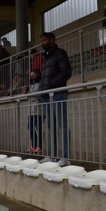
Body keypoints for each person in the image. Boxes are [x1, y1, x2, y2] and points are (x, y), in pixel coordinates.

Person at [38, 32, 72, 167]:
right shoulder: (46, 59)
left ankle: (65, 157)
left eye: (44, 40)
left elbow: (66, 73)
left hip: (58, 93)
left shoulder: (60, 54)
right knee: (51, 126)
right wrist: (42, 89)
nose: (42, 43)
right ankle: (50, 155)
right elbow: (43, 77)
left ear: (52, 39)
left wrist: (51, 85)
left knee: (61, 125)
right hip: (47, 95)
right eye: (41, 41)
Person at [26, 69, 43, 153]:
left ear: (38, 74)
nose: (32, 77)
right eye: (31, 76)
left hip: (38, 109)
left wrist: (30, 94)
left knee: (38, 127)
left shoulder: (41, 83)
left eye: (33, 76)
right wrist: (30, 94)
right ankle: (34, 145)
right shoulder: (31, 84)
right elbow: (28, 94)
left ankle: (40, 146)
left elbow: (38, 94)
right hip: (31, 109)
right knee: (30, 127)